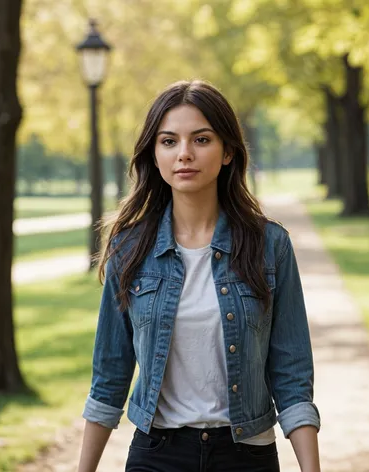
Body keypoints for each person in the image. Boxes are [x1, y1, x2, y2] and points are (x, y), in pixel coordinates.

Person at [78, 80, 321, 472]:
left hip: (247, 456)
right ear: (154, 154)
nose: (185, 154)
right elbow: (109, 375)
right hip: (157, 455)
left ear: (227, 151)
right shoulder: (130, 248)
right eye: (169, 141)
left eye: (202, 140)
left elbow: (291, 374)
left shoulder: (269, 245)